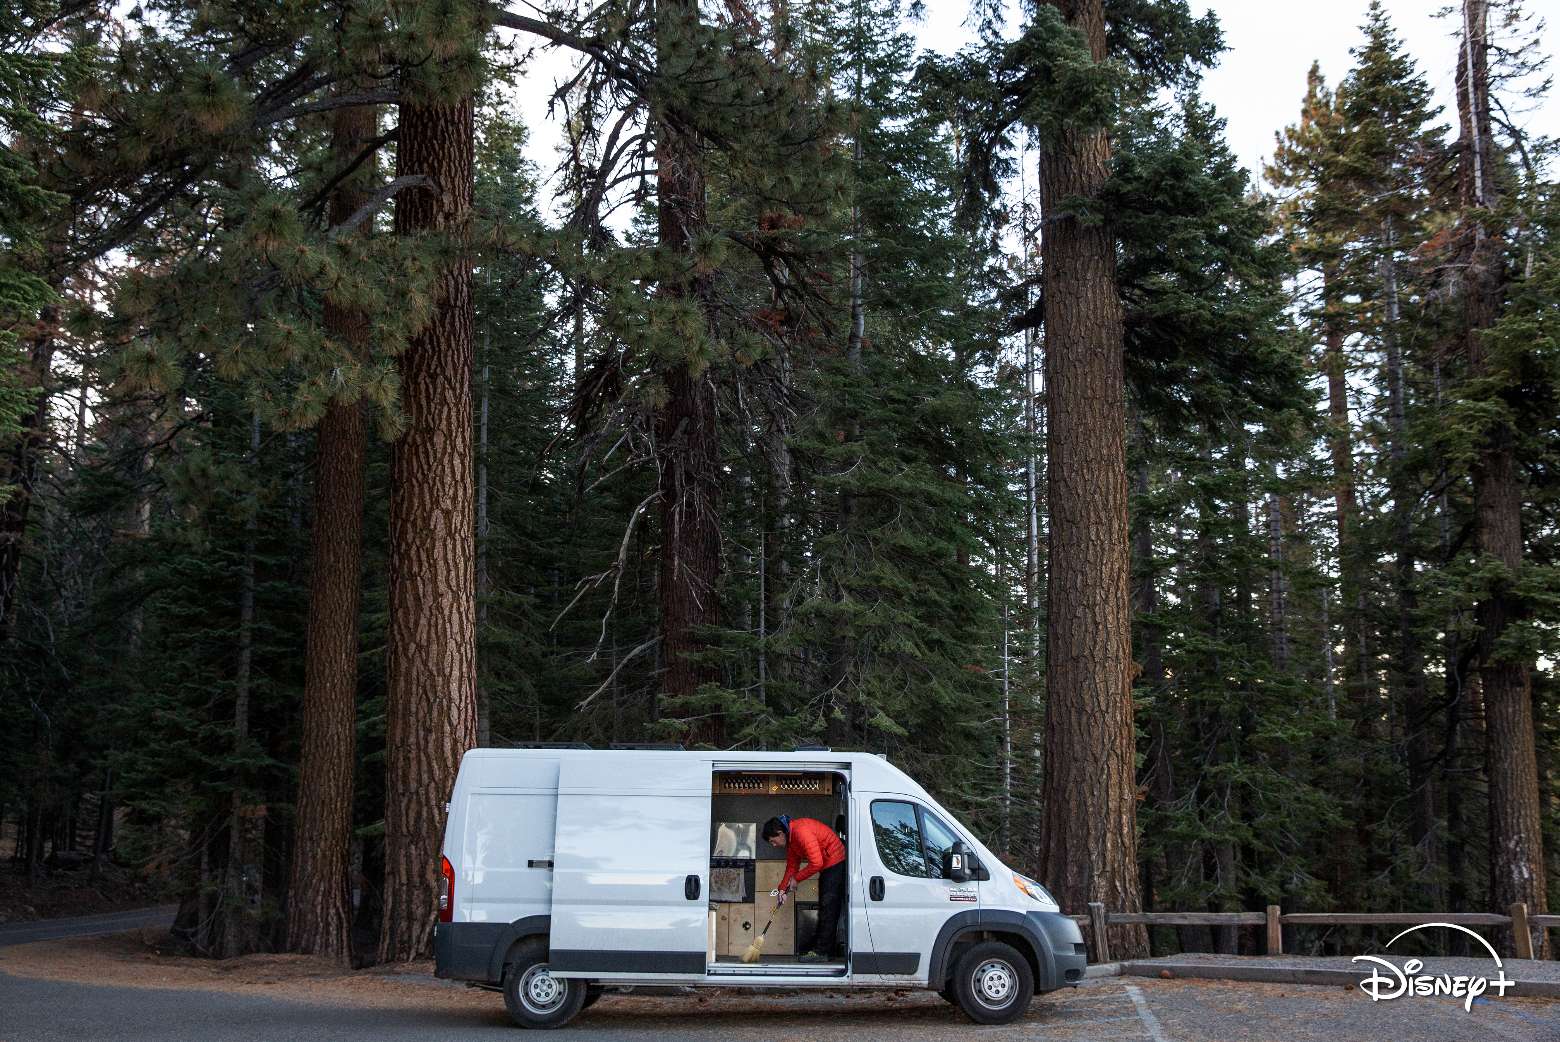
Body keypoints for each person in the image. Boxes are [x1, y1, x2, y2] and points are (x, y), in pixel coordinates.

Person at [762, 815, 845, 962]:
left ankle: (822, 952)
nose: (774, 845)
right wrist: (782, 890)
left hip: (835, 861)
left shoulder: (801, 832)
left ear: (780, 834)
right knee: (826, 906)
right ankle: (825, 950)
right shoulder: (792, 840)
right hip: (828, 864)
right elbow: (792, 866)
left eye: (773, 841)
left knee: (828, 906)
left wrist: (796, 879)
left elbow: (816, 863)